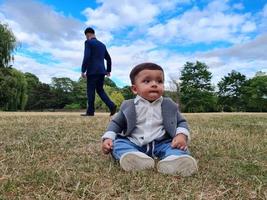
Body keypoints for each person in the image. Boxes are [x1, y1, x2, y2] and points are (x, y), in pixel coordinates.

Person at [101, 62, 198, 176]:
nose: (154, 84)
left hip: (162, 142)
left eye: (159, 81)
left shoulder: (169, 105)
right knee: (118, 144)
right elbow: (116, 123)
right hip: (134, 142)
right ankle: (133, 157)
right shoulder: (128, 106)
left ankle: (175, 160)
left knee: (179, 148)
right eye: (147, 81)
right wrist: (108, 138)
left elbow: (181, 122)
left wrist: (181, 135)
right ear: (135, 89)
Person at [81, 27, 116, 116]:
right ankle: (111, 106)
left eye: (86, 36)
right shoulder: (102, 45)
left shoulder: (88, 42)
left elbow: (87, 56)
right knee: (100, 90)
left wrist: (83, 70)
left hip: (92, 71)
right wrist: (108, 70)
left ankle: (90, 112)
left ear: (87, 35)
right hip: (101, 72)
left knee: (90, 91)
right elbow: (108, 58)